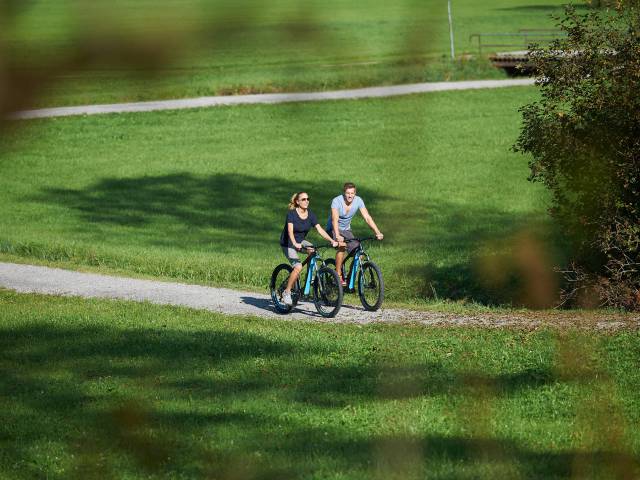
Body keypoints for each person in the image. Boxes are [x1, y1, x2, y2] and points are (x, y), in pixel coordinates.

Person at [279, 191, 338, 306]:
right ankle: (286, 292)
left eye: (308, 199)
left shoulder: (310, 214)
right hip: (288, 243)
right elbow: (290, 231)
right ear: (297, 201)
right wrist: (295, 243)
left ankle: (307, 281)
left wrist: (332, 240)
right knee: (298, 266)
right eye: (303, 199)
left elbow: (320, 229)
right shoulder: (291, 214)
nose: (306, 201)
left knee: (314, 252)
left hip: (300, 241)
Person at [327, 182, 383, 286]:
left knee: (359, 253)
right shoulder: (336, 201)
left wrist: (377, 231)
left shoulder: (358, 201)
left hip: (347, 230)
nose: (350, 195)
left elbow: (367, 217)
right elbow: (335, 219)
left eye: (352, 193)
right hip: (333, 229)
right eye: (347, 193)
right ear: (344, 193)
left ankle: (350, 278)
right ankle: (338, 276)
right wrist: (338, 236)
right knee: (342, 246)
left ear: (355, 193)